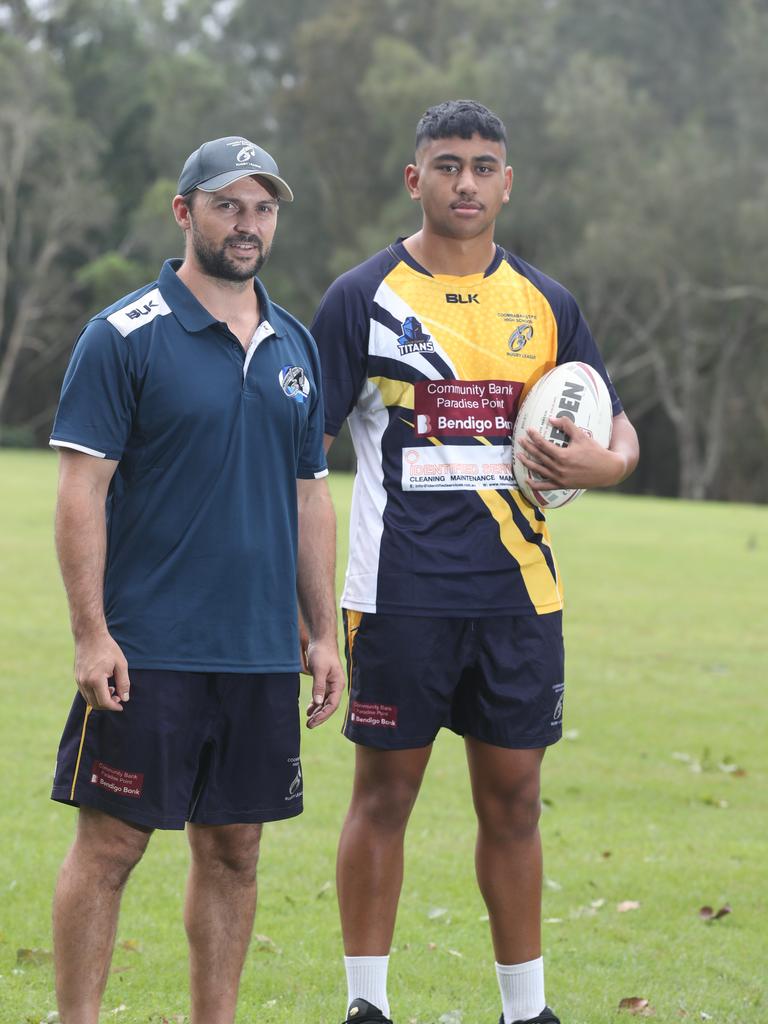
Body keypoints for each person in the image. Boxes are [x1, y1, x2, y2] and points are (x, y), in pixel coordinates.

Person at [309, 101, 639, 1024]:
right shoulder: (361, 298)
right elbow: (308, 448)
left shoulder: (547, 303)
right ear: (415, 180)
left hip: (519, 596)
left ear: (507, 181)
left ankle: (526, 1012)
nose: (466, 181)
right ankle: (365, 1006)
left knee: (518, 802)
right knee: (384, 795)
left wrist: (603, 464)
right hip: (398, 594)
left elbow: (616, 423)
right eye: (447, 165)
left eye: (484, 166)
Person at [49, 135, 344, 1024]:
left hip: (257, 653)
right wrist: (92, 632)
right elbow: (80, 494)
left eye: (263, 208)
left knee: (237, 852)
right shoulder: (121, 336)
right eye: (228, 205)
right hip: (150, 648)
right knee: (110, 849)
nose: (248, 225)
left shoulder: (295, 344)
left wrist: (321, 629)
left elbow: (310, 498)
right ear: (185, 212)